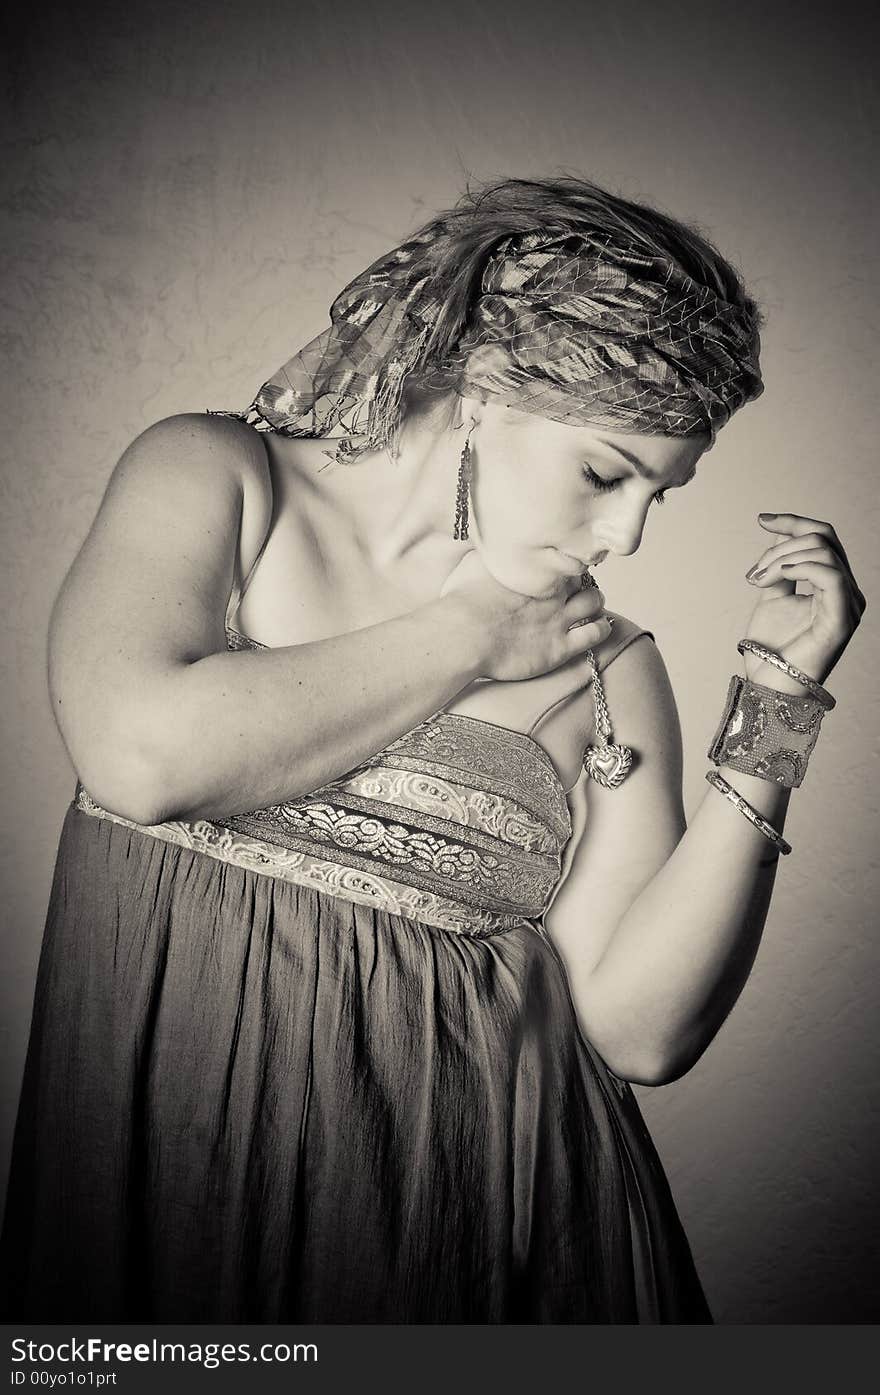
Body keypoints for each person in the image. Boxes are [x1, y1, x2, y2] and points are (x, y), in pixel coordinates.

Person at [0, 176, 864, 1324]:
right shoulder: (215, 479)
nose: (626, 534)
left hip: (470, 1235)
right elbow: (140, 758)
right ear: (480, 386)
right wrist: (468, 637)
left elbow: (642, 1033)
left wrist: (779, 704)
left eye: (662, 494)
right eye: (607, 473)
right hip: (167, 1188)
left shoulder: (603, 664)